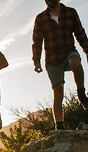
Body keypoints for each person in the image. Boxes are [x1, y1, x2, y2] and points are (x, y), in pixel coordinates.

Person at [32, 0, 88, 130]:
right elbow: (37, 41)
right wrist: (36, 61)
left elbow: (80, 32)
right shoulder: (41, 18)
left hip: (69, 51)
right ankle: (59, 125)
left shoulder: (70, 12)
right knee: (58, 91)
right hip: (52, 59)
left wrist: (86, 50)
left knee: (75, 62)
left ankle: (81, 93)